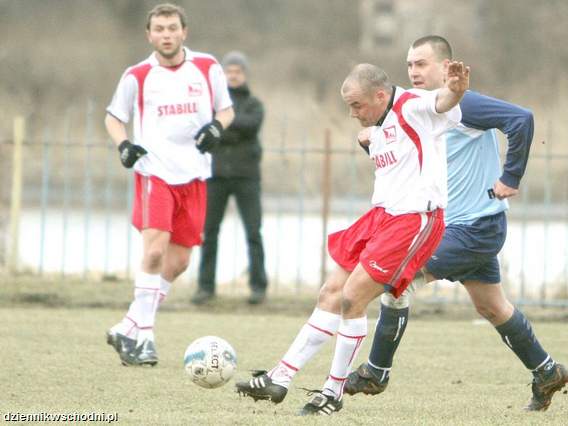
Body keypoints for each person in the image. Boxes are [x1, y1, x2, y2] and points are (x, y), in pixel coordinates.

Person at [344, 35, 568, 412]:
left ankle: (376, 371)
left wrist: (510, 178)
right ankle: (547, 371)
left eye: (422, 63)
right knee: (493, 308)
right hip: (455, 226)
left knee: (398, 281)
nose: (414, 71)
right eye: (410, 64)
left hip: (472, 228)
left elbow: (521, 119)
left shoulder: (463, 104)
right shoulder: (417, 109)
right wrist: (372, 142)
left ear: (446, 66)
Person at [236, 61, 469, 415]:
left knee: (351, 299)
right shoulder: (378, 125)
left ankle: (332, 392)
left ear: (380, 94)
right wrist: (370, 139)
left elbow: (443, 101)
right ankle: (279, 378)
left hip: (414, 220)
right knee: (329, 293)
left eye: (357, 105)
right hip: (381, 216)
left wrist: (456, 88)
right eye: (349, 106)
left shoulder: (411, 105)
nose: (352, 113)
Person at [104, 3, 234, 366]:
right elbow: (114, 118)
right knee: (155, 253)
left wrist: (216, 128)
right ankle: (144, 337)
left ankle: (127, 324)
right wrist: (124, 145)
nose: (166, 34)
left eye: (172, 28)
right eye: (159, 29)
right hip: (154, 173)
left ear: (183, 32)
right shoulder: (138, 75)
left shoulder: (208, 67)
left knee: (178, 262)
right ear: (149, 35)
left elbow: (226, 110)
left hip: (194, 175)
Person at [192, 51, 268, 306]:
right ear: (222, 74)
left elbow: (250, 125)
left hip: (247, 176)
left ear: (244, 75)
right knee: (209, 232)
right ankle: (205, 287)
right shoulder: (211, 103)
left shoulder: (254, 104)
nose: (233, 75)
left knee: (253, 232)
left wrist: (223, 125)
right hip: (216, 176)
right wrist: (225, 126)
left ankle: (258, 287)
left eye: (238, 71)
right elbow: (208, 127)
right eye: (229, 71)